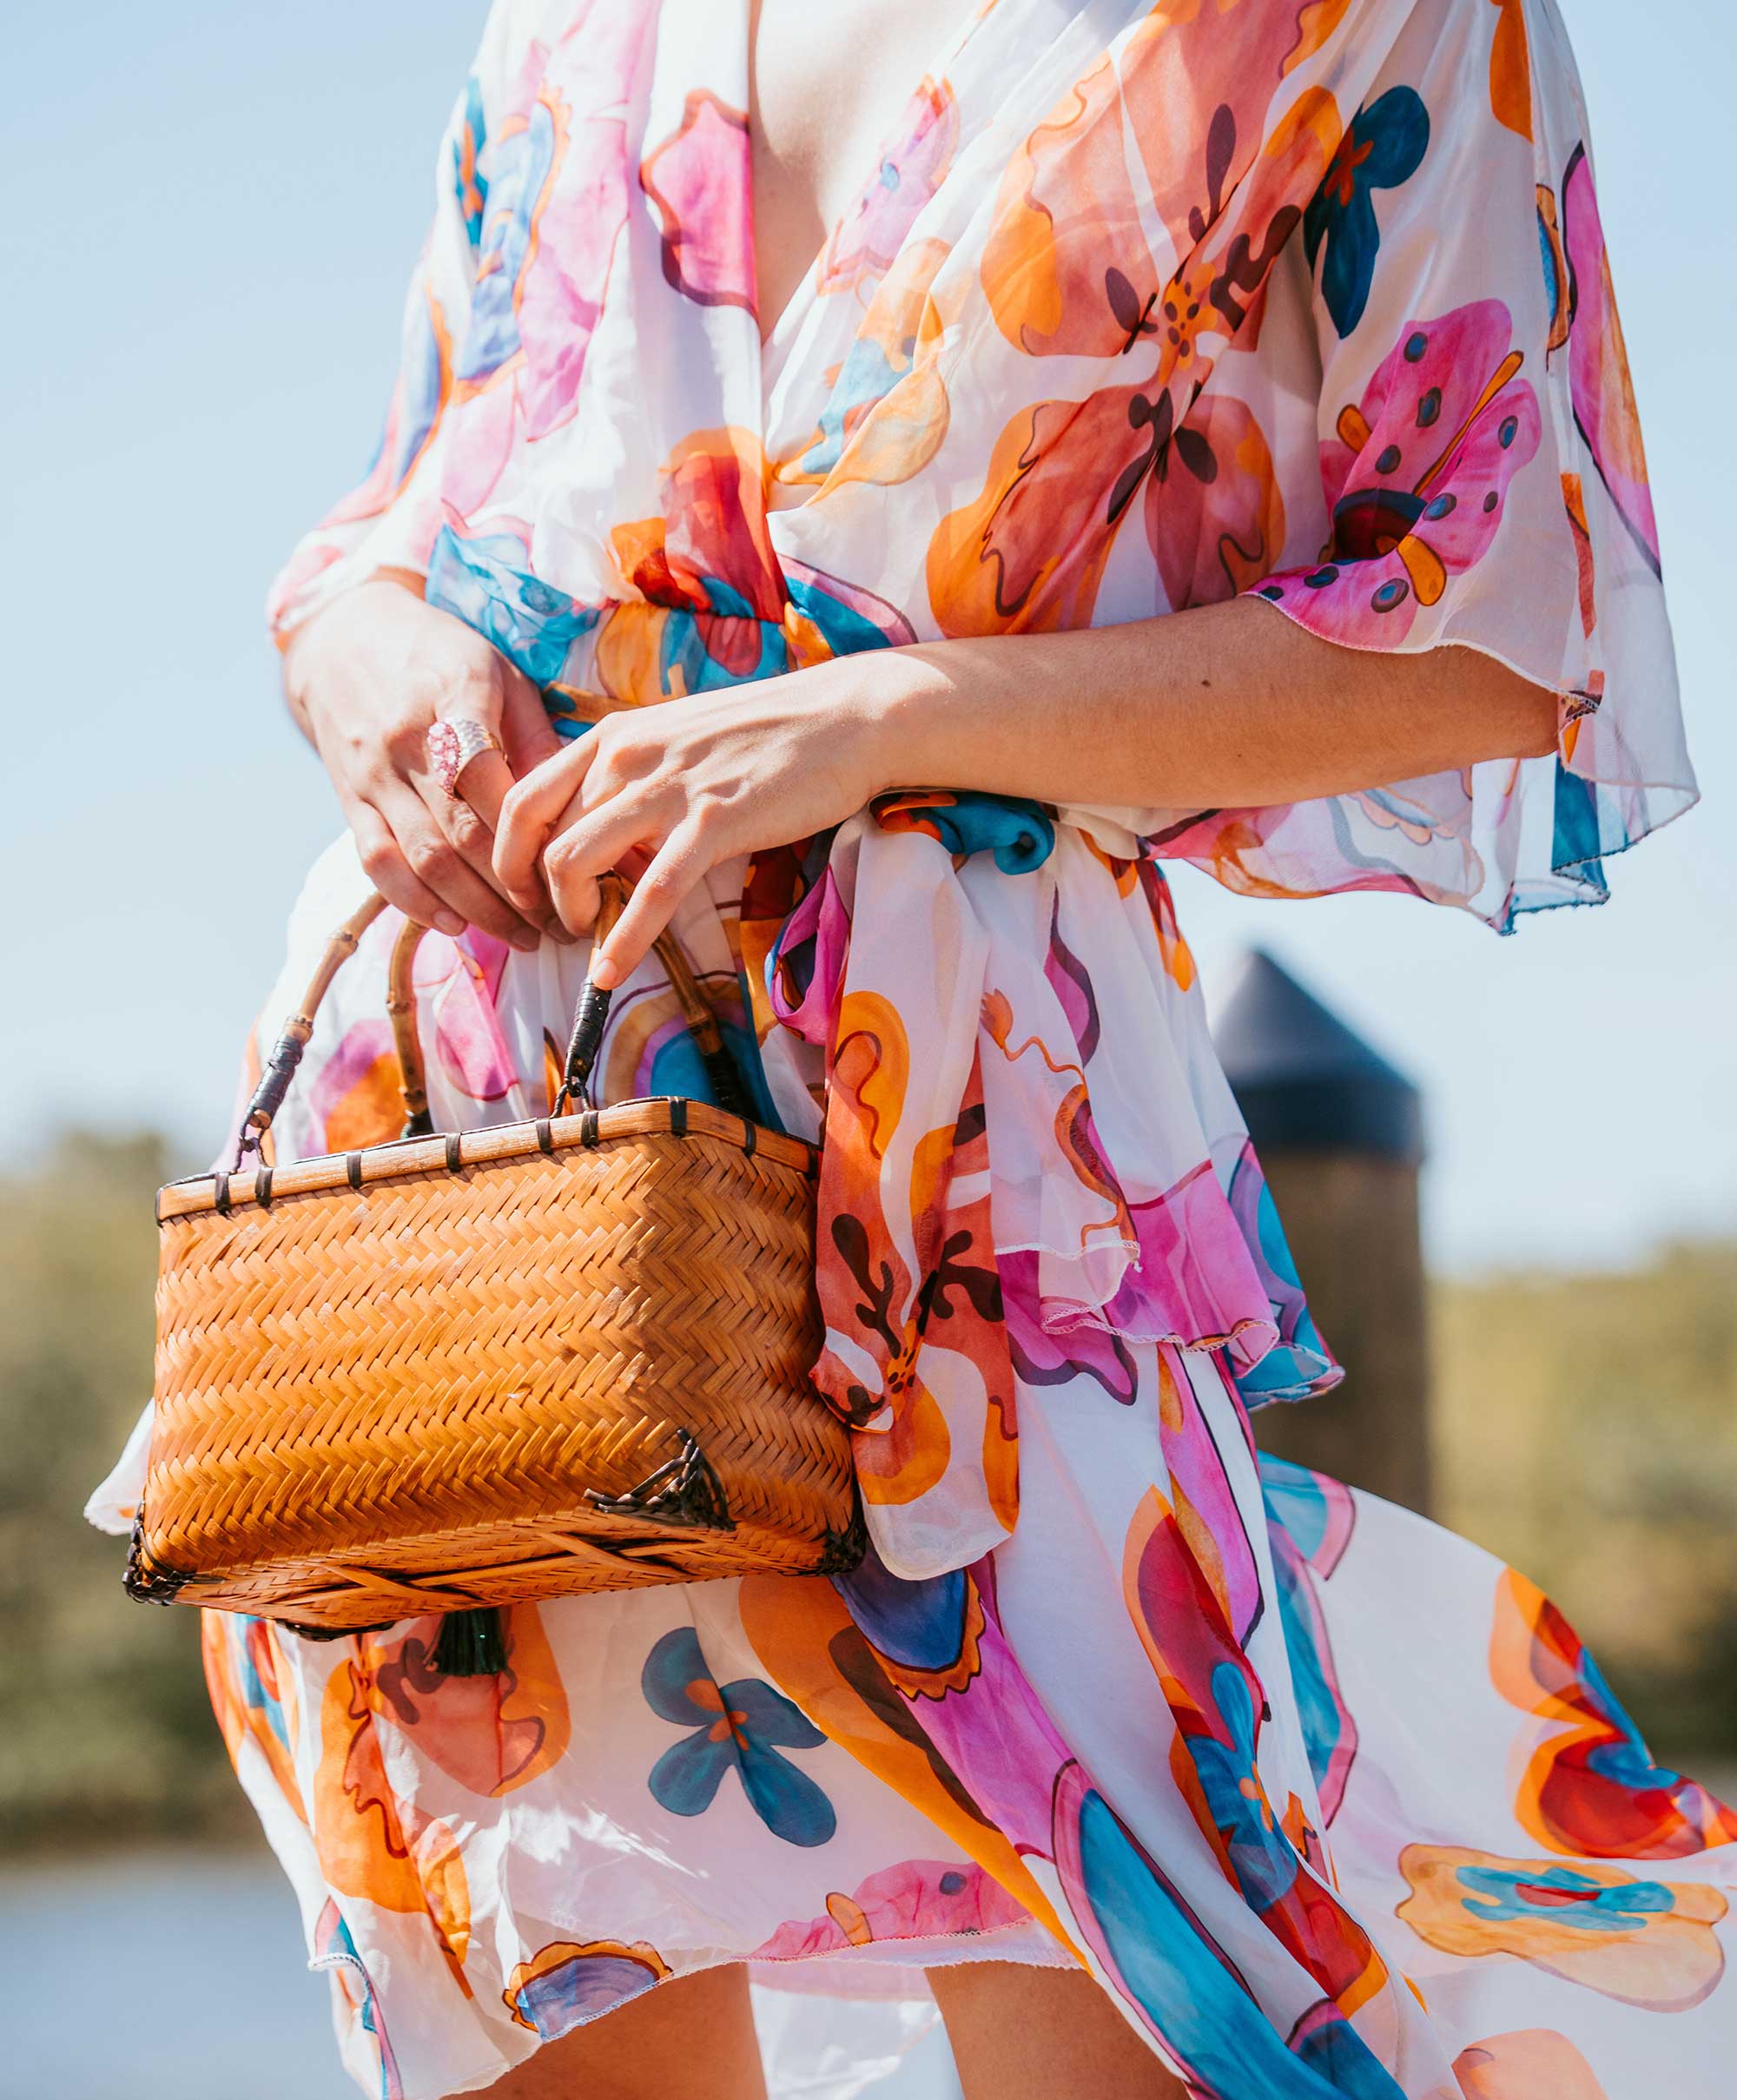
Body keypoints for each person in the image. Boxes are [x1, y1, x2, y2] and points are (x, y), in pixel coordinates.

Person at [89, 1, 1729, 2095]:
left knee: (1141, 1972)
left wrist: (892, 719)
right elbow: (395, 517)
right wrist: (370, 651)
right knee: (523, 1991)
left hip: (971, 1168)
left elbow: (1508, 624)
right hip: (463, 1175)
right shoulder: (577, 20)